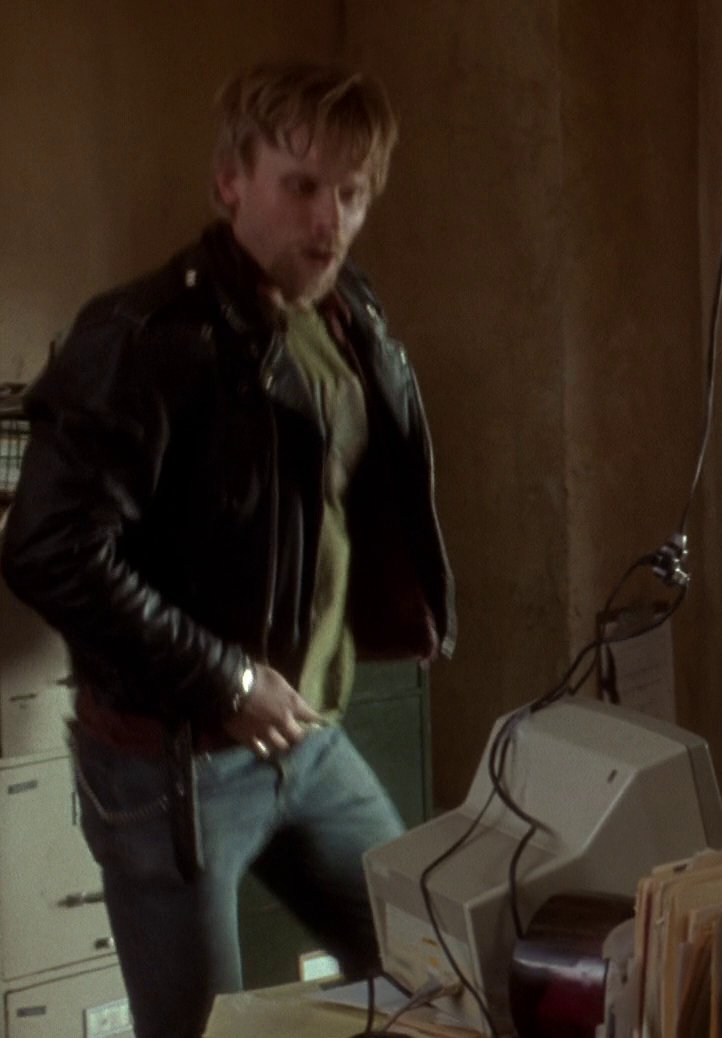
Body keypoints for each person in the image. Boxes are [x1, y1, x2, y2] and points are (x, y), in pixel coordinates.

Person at [0, 62, 453, 1038]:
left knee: (436, 972)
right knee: (200, 1032)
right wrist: (228, 681)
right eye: (302, 186)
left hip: (308, 736)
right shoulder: (143, 335)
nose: (329, 220)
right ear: (229, 183)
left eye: (351, 193)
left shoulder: (346, 309)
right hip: (174, 768)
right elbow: (47, 548)